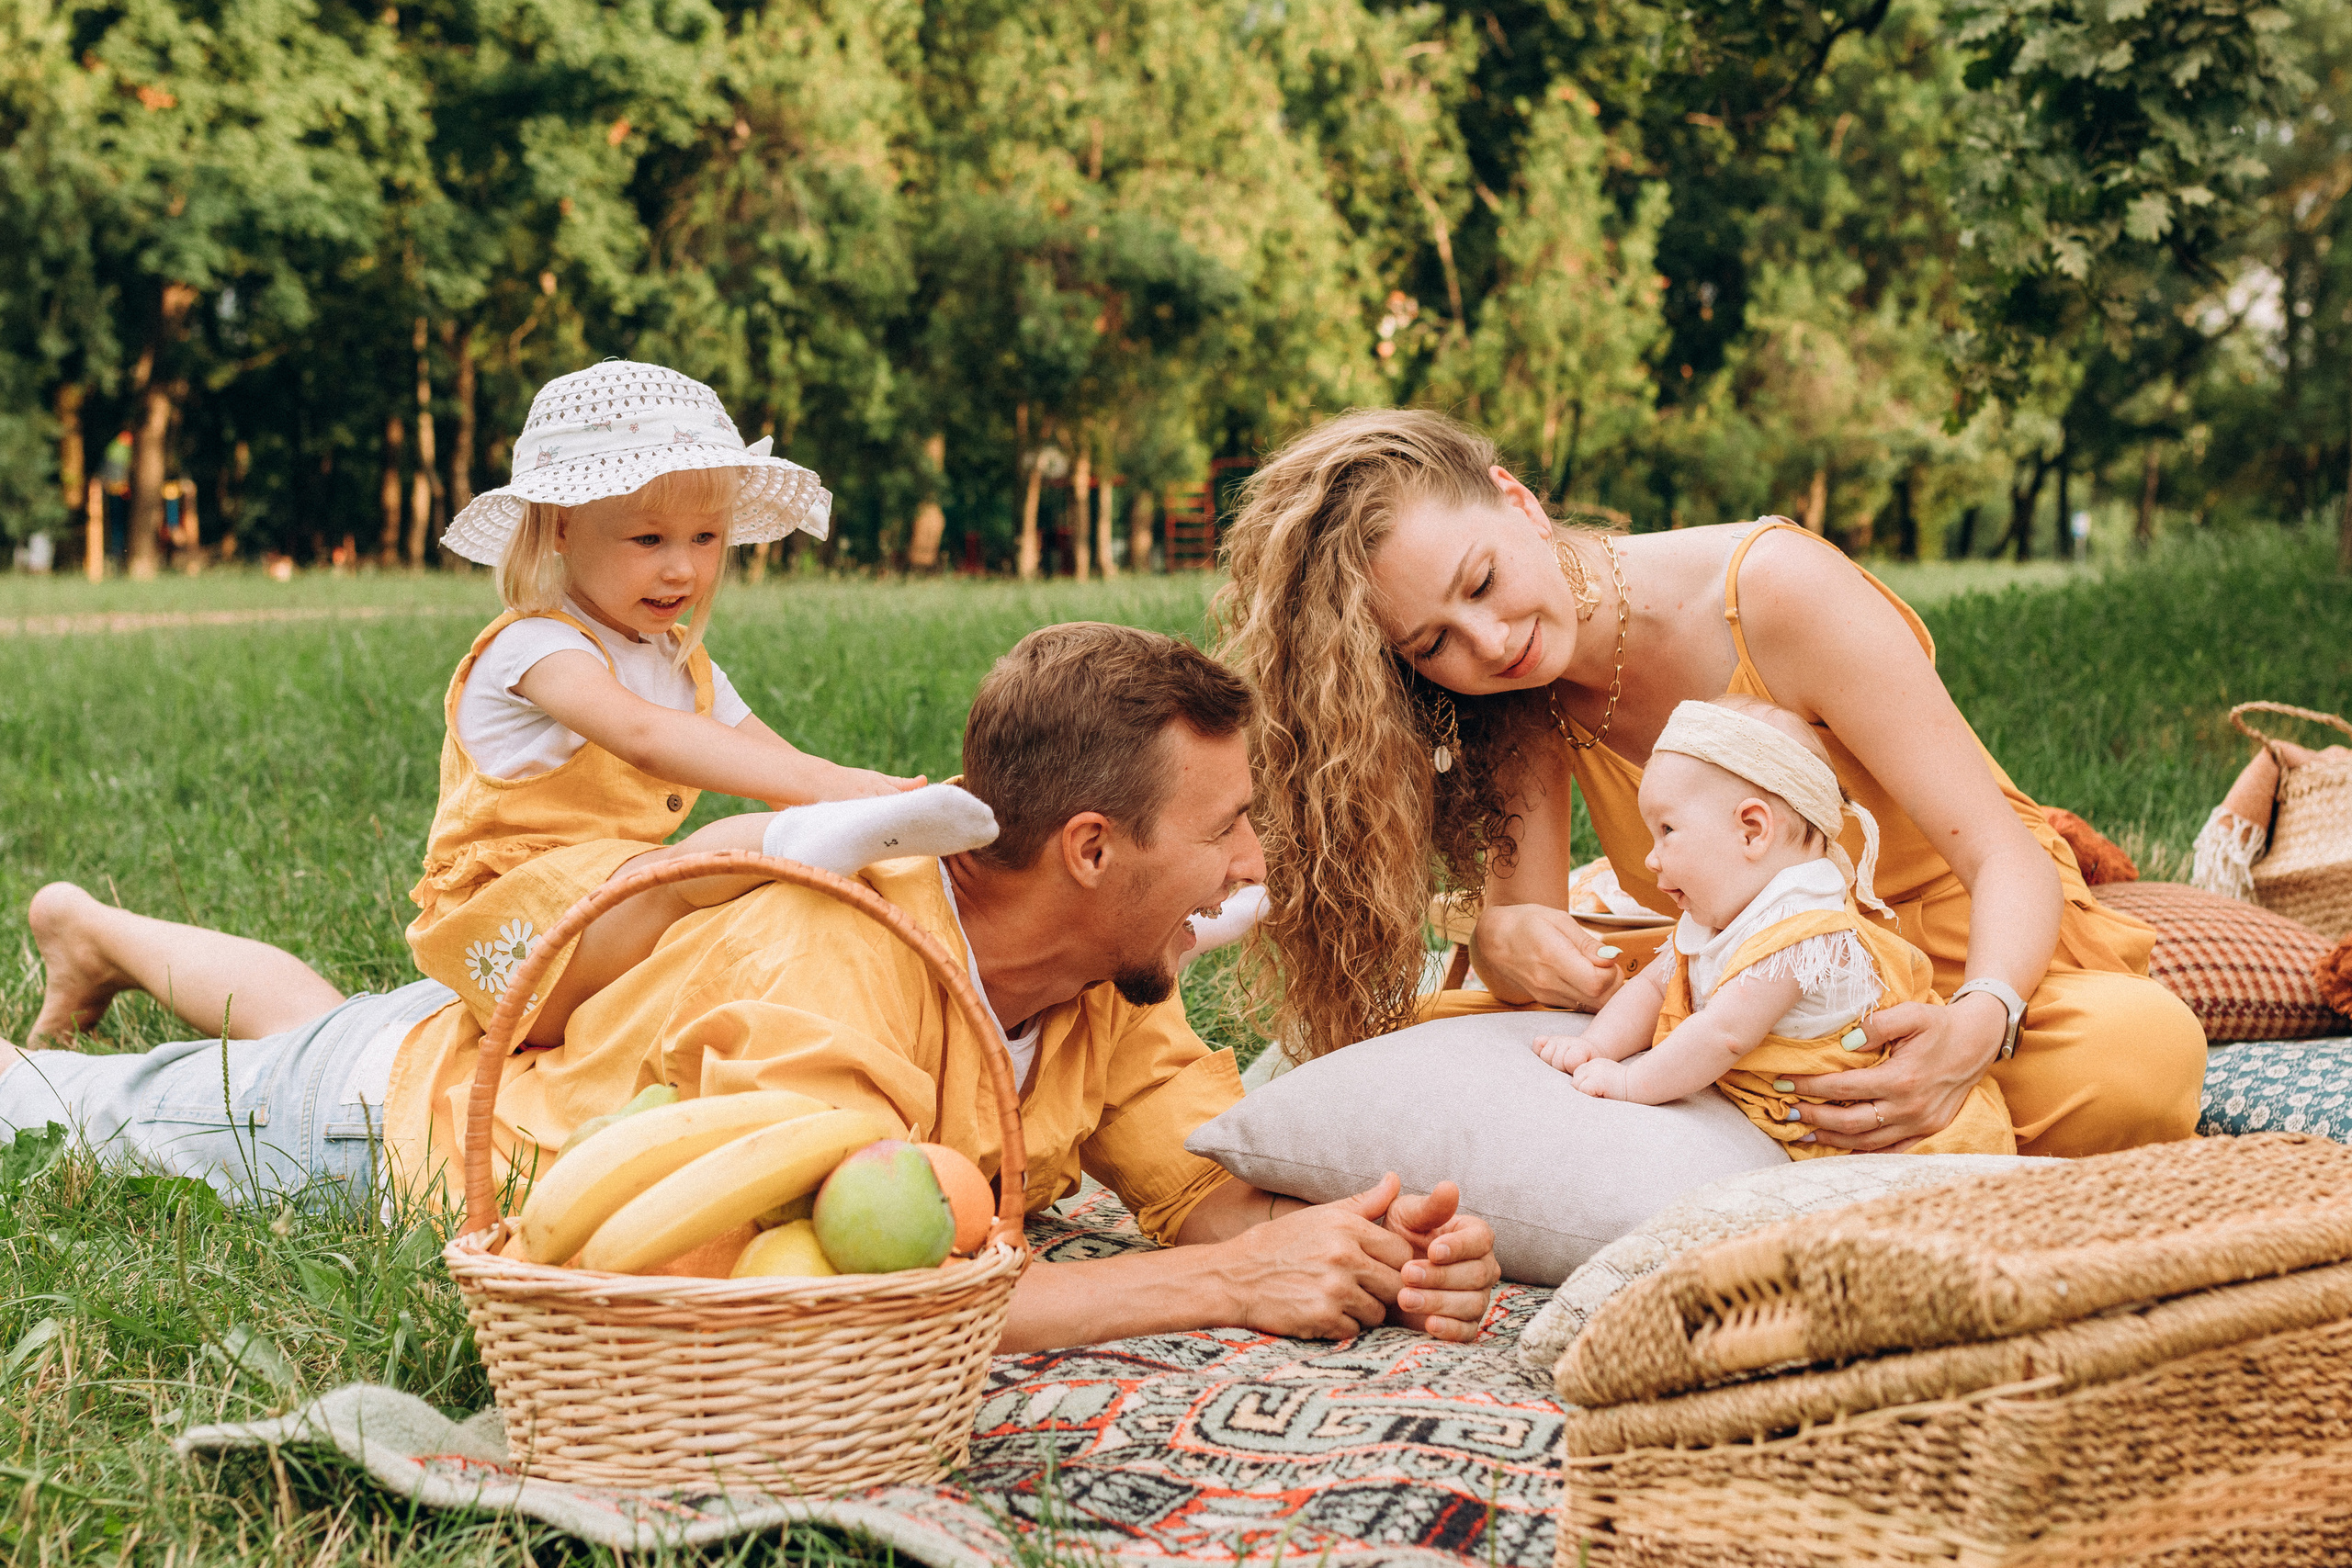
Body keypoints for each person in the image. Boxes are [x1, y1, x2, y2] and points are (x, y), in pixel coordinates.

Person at [6, 623, 1501, 1352]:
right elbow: (851, 1300)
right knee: (60, 1110)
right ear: (1092, 847)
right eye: (1228, 824)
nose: (1254, 859)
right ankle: (91, 970)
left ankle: (95, 929)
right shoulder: (842, 960)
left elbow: (1195, 1193)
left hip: (475, 1037)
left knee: (307, 1010)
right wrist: (1235, 1287)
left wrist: (1354, 1244)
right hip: (381, 1130)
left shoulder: (1117, 985)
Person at [1216, 409, 2202, 1159]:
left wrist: (1972, 1032)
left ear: (1516, 501)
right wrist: (1502, 936)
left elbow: (2001, 855)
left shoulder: (1772, 592)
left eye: (1479, 584)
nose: (1488, 642)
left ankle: (1850, 1123)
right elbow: (1530, 947)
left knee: (2135, 1060)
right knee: (1462, 1045)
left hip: (1960, 947)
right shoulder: (1517, 698)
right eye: (1432, 643)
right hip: (1749, 992)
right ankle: (1794, 1127)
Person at [411, 359, 994, 1049]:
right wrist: (828, 791)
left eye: (706, 537)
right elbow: (643, 735)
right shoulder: (534, 646)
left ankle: (852, 871)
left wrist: (865, 799)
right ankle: (786, 848)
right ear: (562, 528)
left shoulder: (679, 661)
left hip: (608, 930)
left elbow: (780, 763)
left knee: (741, 914)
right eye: (649, 538)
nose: (682, 568)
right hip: (515, 936)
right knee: (688, 870)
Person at [1530, 695, 2013, 1157]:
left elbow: (1724, 1034)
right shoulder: (1726, 916)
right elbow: (1654, 988)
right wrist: (1596, 1046)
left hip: (1908, 1145)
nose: (1651, 858)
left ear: (1752, 830)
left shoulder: (1801, 933)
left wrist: (1633, 1084)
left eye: (1667, 831)